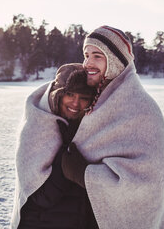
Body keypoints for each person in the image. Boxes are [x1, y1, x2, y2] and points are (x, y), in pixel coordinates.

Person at [59, 25, 164, 228]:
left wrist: (83, 174)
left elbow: (148, 182)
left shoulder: (141, 107)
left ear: (115, 61)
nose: (87, 63)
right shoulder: (96, 97)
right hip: (84, 215)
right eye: (86, 55)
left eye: (97, 56)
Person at [11, 63, 98, 229]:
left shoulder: (90, 130)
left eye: (84, 97)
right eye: (70, 94)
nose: (75, 103)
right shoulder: (37, 127)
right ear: (58, 95)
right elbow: (41, 196)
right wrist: (65, 160)